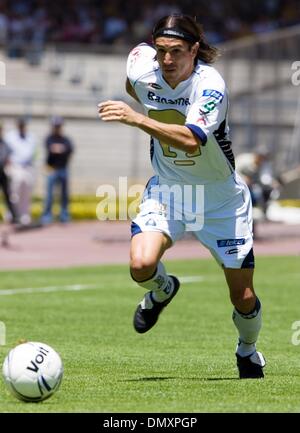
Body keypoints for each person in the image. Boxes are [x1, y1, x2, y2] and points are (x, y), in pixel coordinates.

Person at [98, 14, 266, 379]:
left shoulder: (211, 86)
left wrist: (137, 119)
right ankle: (162, 289)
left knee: (244, 298)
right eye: (161, 51)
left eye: (176, 51)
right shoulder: (143, 68)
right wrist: (140, 103)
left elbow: (191, 139)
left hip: (221, 199)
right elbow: (135, 86)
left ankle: (247, 350)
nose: (168, 60)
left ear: (194, 50)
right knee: (141, 265)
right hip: (169, 190)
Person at [41, 116, 74, 224]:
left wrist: (58, 149)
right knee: (49, 195)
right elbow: (50, 148)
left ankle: (64, 215)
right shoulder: (49, 138)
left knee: (64, 195)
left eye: (58, 126)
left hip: (63, 169)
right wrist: (60, 149)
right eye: (55, 126)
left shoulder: (66, 139)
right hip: (52, 169)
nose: (57, 128)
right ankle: (47, 216)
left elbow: (69, 149)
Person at [5, 117, 37, 225]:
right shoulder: (10, 136)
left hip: (28, 167)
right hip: (15, 166)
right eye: (20, 125)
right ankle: (12, 214)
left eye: (23, 125)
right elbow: (6, 152)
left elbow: (34, 153)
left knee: (26, 192)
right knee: (15, 192)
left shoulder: (31, 137)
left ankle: (24, 215)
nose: (22, 127)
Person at [0, 123, 18, 224]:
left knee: (8, 195)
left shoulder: (4, 143)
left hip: (2, 172)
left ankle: (14, 217)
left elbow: (9, 154)